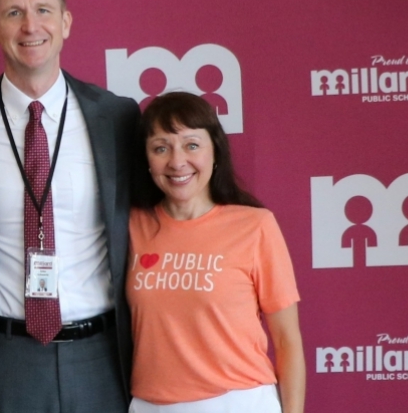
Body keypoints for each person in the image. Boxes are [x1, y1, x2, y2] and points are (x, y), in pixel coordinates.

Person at [0, 0, 143, 412]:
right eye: (13, 13)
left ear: (65, 22)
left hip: (103, 356)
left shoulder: (118, 118)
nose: (30, 26)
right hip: (6, 357)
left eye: (43, 10)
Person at [127, 92, 304, 413]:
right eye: (161, 148)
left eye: (192, 145)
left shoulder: (254, 226)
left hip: (239, 402)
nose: (177, 161)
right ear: (147, 160)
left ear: (215, 152)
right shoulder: (131, 226)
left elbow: (287, 343)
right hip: (150, 405)